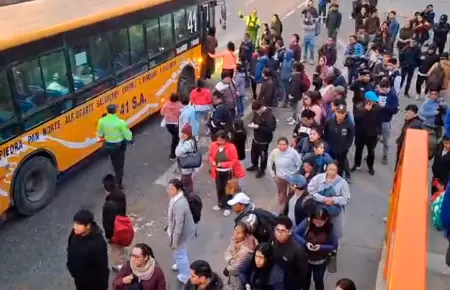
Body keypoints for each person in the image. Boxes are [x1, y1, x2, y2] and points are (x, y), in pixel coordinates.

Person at [293, 208, 338, 290]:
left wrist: (321, 247)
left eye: (320, 222)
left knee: (318, 280)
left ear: (326, 219)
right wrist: (305, 243)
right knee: (305, 279)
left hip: (321, 261)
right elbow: (294, 234)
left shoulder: (330, 228)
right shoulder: (307, 223)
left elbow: (334, 245)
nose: (317, 224)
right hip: (306, 258)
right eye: (315, 221)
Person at [67, 209, 109, 290]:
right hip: (79, 280)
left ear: (88, 225)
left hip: (93, 284)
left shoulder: (98, 243)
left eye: (79, 225)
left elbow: (101, 268)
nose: (75, 227)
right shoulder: (74, 233)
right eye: (75, 223)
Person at [308, 162, 351, 240]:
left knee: (335, 231)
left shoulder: (342, 182)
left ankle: (335, 246)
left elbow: (346, 198)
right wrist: (323, 199)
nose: (331, 171)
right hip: (319, 211)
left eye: (333, 170)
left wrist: (334, 200)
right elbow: (311, 191)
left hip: (334, 211)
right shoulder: (318, 178)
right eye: (329, 169)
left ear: (337, 171)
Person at [209, 130, 245, 216]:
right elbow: (210, 155)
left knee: (228, 189)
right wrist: (212, 162)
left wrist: (224, 164)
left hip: (228, 172)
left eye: (221, 140)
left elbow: (234, 160)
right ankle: (220, 203)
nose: (219, 141)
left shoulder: (231, 147)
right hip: (217, 171)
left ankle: (228, 206)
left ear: (225, 139)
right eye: (218, 139)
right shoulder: (213, 145)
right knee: (219, 188)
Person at [166, 178, 196, 284]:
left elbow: (179, 226)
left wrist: (174, 242)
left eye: (171, 189)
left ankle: (185, 275)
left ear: (178, 190)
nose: (168, 191)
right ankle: (179, 264)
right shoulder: (175, 198)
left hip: (180, 234)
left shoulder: (180, 204)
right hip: (176, 231)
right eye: (168, 188)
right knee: (179, 252)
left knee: (181, 254)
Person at [98, 103, 133, 189]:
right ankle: (119, 184)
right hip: (118, 147)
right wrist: (131, 140)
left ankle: (109, 181)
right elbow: (127, 134)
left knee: (113, 162)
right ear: (115, 111)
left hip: (108, 146)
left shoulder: (101, 121)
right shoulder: (120, 122)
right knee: (119, 166)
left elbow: (100, 134)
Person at [271, 216, 308, 290]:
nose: (279, 234)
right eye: (277, 230)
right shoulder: (273, 239)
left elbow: (303, 271)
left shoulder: (297, 250)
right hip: (274, 279)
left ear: (290, 231)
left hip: (289, 284)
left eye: (283, 231)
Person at [268, 137, 302, 212]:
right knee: (281, 194)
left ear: (287, 145)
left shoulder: (293, 152)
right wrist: (273, 175)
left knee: (292, 193)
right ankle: (283, 210)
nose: (282, 147)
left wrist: (295, 174)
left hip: (292, 177)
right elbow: (270, 163)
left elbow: (299, 163)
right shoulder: (275, 152)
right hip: (280, 177)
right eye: (280, 144)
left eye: (284, 145)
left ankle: (291, 208)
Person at [102, 174, 127, 271]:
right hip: (123, 225)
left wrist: (109, 236)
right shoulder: (121, 195)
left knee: (115, 250)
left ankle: (119, 266)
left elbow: (107, 224)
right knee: (121, 246)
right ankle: (123, 260)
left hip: (115, 231)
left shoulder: (108, 205)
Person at [352, 91, 381, 175]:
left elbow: (379, 121)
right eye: (372, 100)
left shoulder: (377, 108)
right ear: (367, 100)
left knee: (371, 152)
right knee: (358, 150)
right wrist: (365, 110)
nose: (374, 102)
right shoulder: (359, 107)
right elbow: (356, 119)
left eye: (374, 101)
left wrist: (379, 132)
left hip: (371, 134)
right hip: (360, 133)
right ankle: (357, 164)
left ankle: (370, 167)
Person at [324, 103, 354, 181]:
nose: (340, 115)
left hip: (342, 149)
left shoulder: (350, 124)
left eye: (342, 113)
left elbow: (350, 137)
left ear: (345, 113)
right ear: (335, 112)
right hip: (331, 148)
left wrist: (346, 147)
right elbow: (326, 133)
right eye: (338, 112)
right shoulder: (330, 121)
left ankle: (339, 179)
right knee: (330, 163)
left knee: (340, 165)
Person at [224, 222, 258, 290]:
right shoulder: (235, 239)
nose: (235, 234)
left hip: (240, 277)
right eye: (235, 230)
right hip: (233, 272)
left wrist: (229, 263)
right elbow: (227, 251)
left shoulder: (247, 250)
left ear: (246, 235)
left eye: (239, 233)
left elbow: (235, 268)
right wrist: (232, 259)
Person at [247, 101, 277, 178]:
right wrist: (252, 124)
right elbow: (254, 119)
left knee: (263, 155)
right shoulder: (257, 112)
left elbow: (271, 129)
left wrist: (259, 127)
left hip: (264, 139)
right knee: (254, 153)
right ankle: (255, 165)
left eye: (257, 111)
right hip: (256, 137)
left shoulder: (269, 116)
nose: (256, 113)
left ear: (261, 108)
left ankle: (262, 170)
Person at [377, 78, 399, 165]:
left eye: (382, 89)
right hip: (376, 119)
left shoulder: (393, 95)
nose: (380, 91)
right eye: (380, 89)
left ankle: (385, 155)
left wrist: (385, 106)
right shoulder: (378, 92)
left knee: (385, 140)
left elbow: (395, 110)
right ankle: (370, 153)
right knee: (374, 138)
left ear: (387, 88)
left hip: (385, 120)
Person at [175, 124, 198, 194]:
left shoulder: (187, 143)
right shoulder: (192, 140)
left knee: (185, 182)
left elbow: (177, 153)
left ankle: (187, 195)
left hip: (186, 166)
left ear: (188, 134)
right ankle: (190, 193)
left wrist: (180, 141)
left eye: (185, 133)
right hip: (190, 165)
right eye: (183, 133)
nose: (183, 135)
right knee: (188, 181)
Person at [161, 93, 184, 161]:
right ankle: (173, 155)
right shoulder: (179, 105)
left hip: (168, 124)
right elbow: (183, 113)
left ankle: (176, 150)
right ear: (177, 99)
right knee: (175, 139)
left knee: (175, 136)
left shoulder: (166, 105)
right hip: (176, 124)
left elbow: (162, 113)